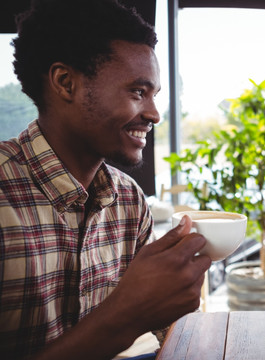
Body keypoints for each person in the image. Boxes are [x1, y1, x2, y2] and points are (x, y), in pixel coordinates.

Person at [0, 0, 211, 358]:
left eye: (154, 95)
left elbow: (162, 330)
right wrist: (124, 316)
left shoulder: (130, 200)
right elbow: (129, 316)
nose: (154, 114)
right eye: (137, 92)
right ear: (66, 83)